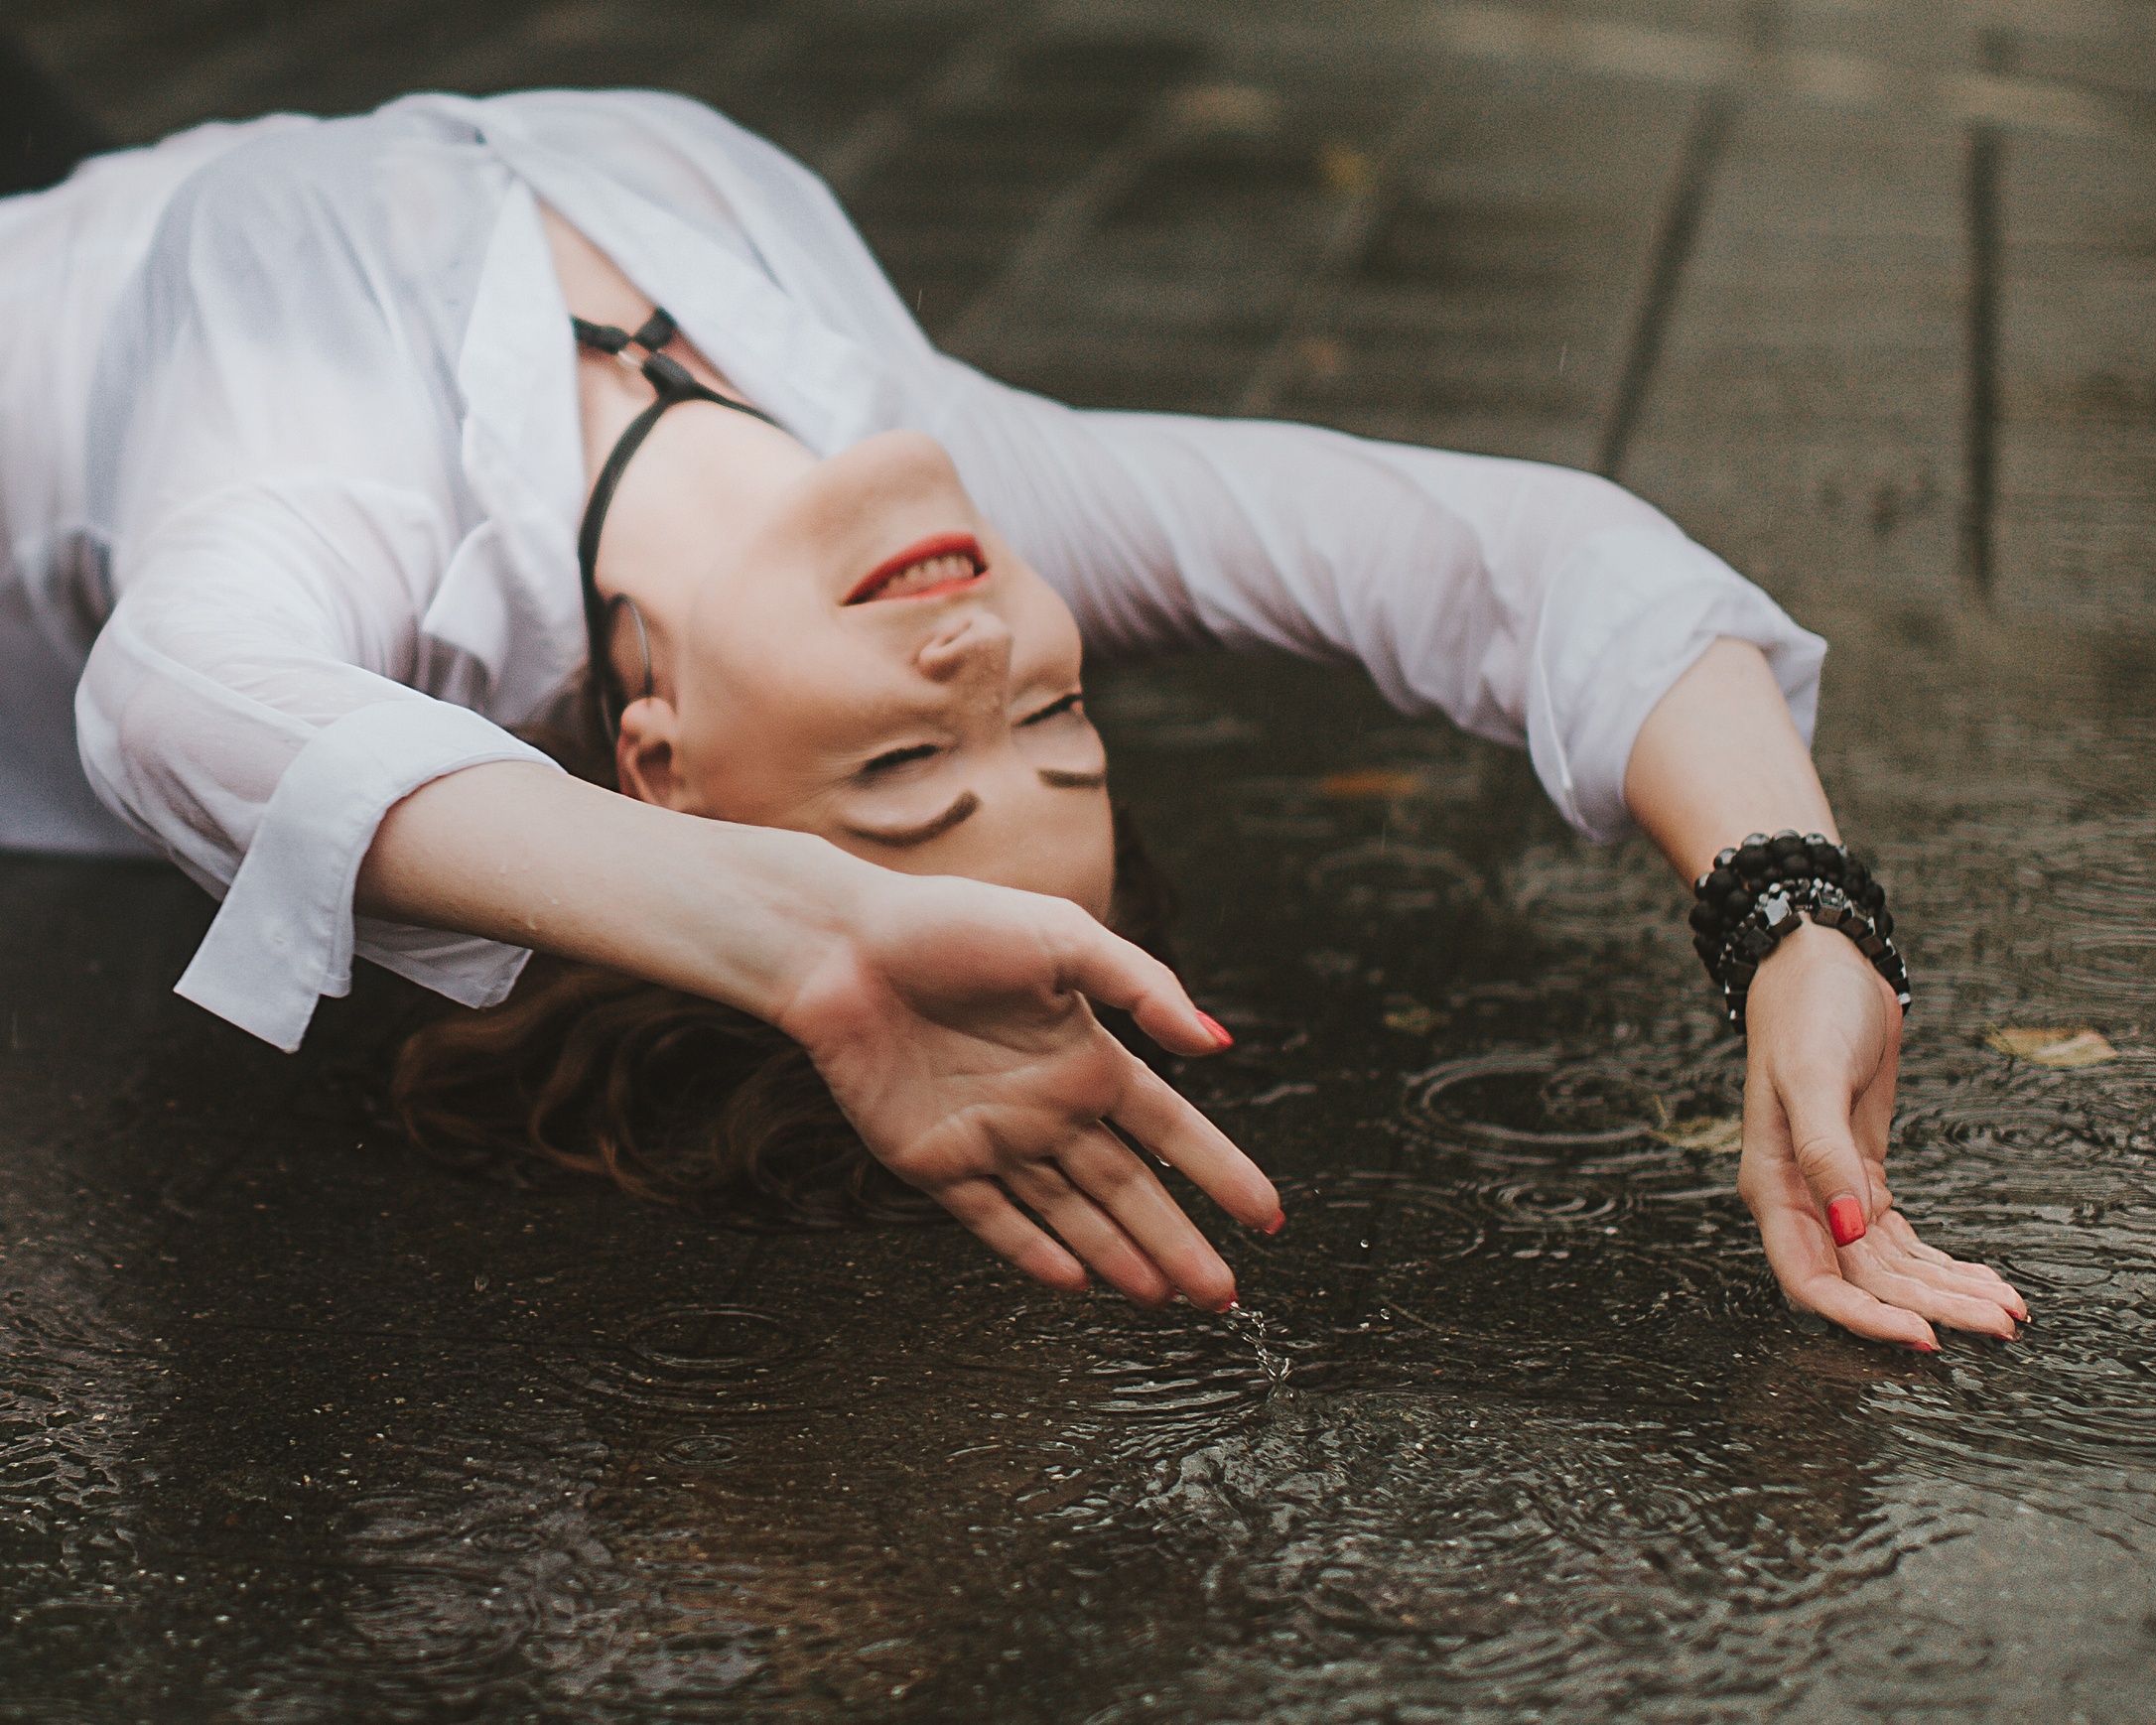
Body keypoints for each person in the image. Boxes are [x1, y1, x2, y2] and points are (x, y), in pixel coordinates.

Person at [0, 75, 2027, 1350]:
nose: (981, 670)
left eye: (893, 770)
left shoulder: (354, 535)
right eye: (1061, 721)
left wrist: (801, 940)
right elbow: (1523, 559)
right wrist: (1795, 914)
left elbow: (179, 698)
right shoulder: (969, 477)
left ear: (657, 773)